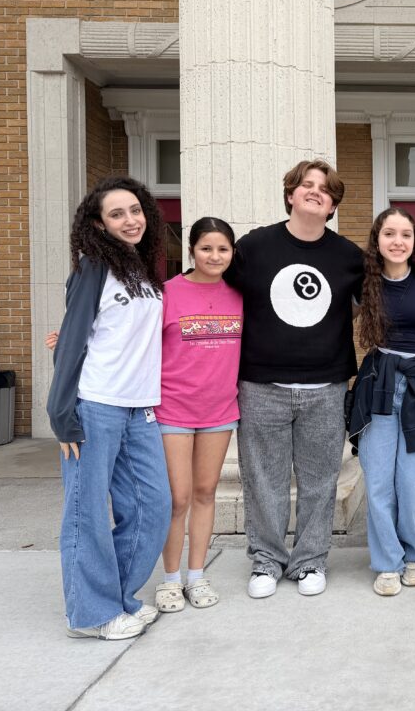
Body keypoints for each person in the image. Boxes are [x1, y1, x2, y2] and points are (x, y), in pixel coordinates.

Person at [224, 160, 364, 600]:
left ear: (333, 205)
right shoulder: (255, 247)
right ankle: (266, 560)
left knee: (320, 480)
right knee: (262, 479)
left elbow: (368, 307)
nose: (315, 192)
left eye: (325, 189)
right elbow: (216, 292)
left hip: (325, 387)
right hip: (262, 385)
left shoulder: (348, 257)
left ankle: (309, 562)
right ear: (290, 194)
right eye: (307, 185)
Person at [46, 176, 172, 640]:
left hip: (140, 408)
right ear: (98, 224)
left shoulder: (141, 269)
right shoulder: (92, 267)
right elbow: (73, 340)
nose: (129, 220)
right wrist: (62, 416)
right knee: (87, 514)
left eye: (135, 211)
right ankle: (91, 614)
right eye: (116, 214)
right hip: (95, 406)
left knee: (153, 506)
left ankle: (118, 596)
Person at [347, 208, 415, 597]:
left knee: (414, 482)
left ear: (414, 240)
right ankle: (387, 562)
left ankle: (414, 554)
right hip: (378, 386)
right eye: (389, 233)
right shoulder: (363, 284)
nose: (397, 241)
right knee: (380, 481)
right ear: (377, 239)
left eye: (405, 234)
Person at [152, 218, 243, 613]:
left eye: (223, 249)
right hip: (172, 408)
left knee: (206, 493)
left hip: (219, 410)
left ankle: (196, 575)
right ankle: (170, 581)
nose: (215, 256)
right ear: (192, 250)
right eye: (207, 248)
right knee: (178, 497)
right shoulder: (166, 293)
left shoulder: (240, 294)